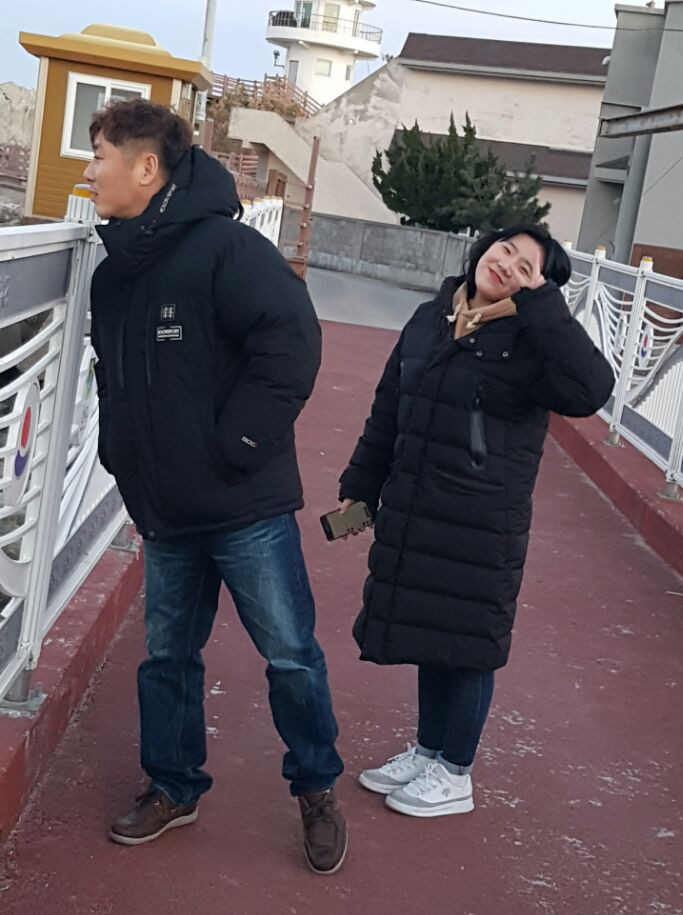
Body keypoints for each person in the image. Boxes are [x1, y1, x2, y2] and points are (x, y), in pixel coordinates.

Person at [85, 98, 346, 874]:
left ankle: (316, 788)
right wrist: (118, 453)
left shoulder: (226, 249)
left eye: (99, 156)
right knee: (167, 656)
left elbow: (292, 340)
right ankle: (173, 786)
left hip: (244, 506)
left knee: (290, 653)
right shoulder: (114, 275)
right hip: (165, 509)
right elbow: (114, 380)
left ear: (146, 168)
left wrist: (240, 443)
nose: (88, 171)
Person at [338, 225, 614, 818]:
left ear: (539, 288)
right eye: (505, 249)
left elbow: (592, 390)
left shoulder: (534, 344)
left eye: (526, 268)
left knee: (467, 644)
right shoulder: (431, 318)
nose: (506, 264)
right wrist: (359, 490)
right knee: (430, 634)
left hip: (482, 522)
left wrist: (543, 308)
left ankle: (455, 772)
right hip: (419, 508)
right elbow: (388, 411)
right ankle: (429, 750)